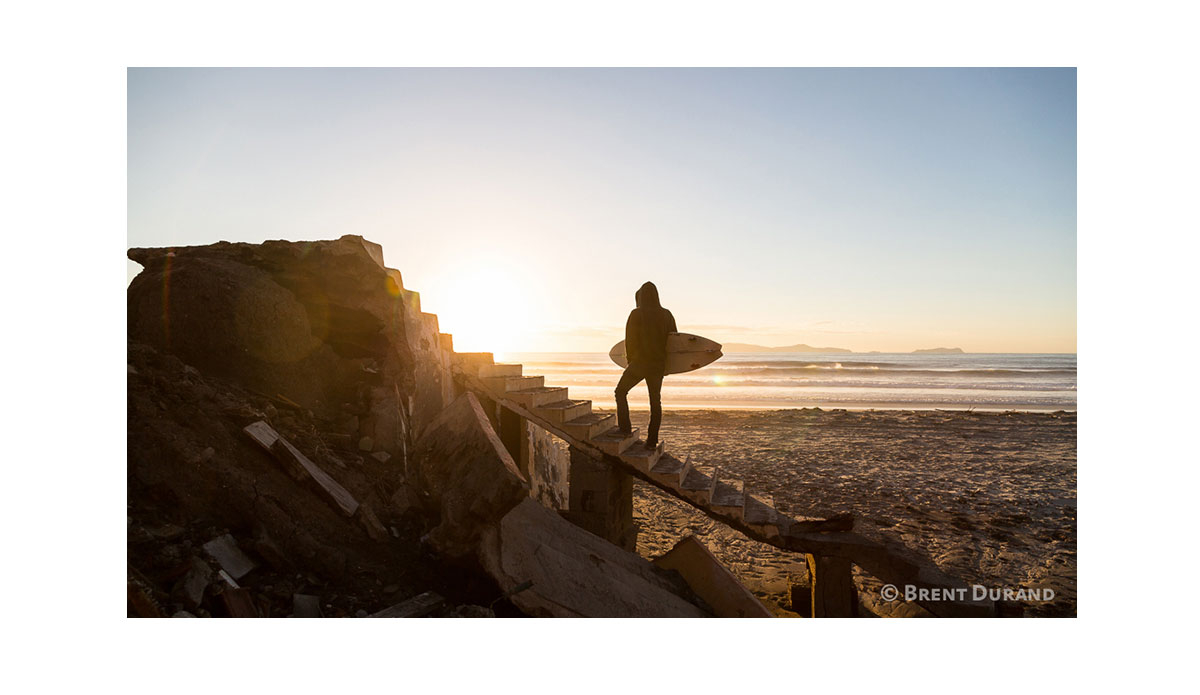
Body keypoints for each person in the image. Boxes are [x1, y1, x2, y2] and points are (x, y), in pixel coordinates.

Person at [615, 281, 677, 449]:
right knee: (655, 402)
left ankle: (625, 429)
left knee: (620, 392)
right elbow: (674, 341)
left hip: (640, 363)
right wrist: (667, 367)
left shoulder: (636, 313)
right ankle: (651, 441)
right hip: (658, 365)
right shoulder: (667, 314)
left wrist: (630, 362)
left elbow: (630, 340)